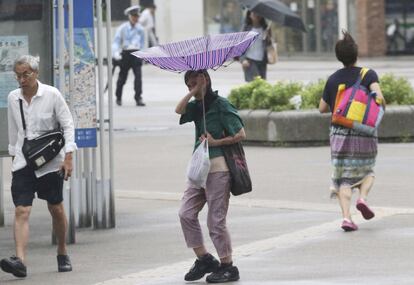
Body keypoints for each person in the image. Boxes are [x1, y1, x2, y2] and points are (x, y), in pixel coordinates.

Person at [1, 55, 77, 278]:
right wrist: (15, 160)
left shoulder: (52, 95)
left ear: (36, 73)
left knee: (56, 208)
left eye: (26, 74)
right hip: (24, 162)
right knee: (21, 210)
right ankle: (20, 261)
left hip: (50, 163)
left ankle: (62, 251)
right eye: (18, 75)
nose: (22, 79)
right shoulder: (13, 98)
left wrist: (69, 157)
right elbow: (14, 133)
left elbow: (68, 124)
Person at [175, 70, 246, 283]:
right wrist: (194, 92)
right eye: (188, 85)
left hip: (219, 169)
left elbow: (241, 134)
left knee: (215, 221)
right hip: (199, 170)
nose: (191, 87)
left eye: (194, 83)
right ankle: (204, 258)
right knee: (185, 213)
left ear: (205, 79)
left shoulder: (222, 105)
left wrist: (216, 142)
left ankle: (228, 266)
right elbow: (178, 110)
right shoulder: (196, 107)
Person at [319, 31, 386, 232]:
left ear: (339, 56)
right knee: (368, 170)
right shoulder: (368, 74)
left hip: (339, 134)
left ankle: (347, 218)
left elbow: (322, 108)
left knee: (342, 176)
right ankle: (363, 198)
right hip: (363, 131)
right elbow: (380, 98)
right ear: (356, 54)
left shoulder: (333, 79)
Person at [112, 5, 146, 106]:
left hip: (136, 54)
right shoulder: (122, 28)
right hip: (126, 54)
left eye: (137, 16)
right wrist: (116, 53)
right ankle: (118, 97)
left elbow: (143, 43)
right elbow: (116, 42)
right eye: (134, 16)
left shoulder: (140, 29)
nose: (136, 18)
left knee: (138, 77)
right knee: (122, 77)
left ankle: (138, 97)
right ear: (130, 16)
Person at [240, 11, 271, 82]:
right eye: (254, 13)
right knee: (254, 83)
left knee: (262, 84)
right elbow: (240, 45)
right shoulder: (246, 28)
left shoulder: (265, 28)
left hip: (262, 60)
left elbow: (269, 44)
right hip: (250, 60)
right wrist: (243, 60)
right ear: (249, 15)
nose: (256, 15)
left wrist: (268, 37)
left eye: (258, 13)